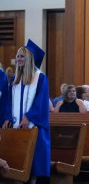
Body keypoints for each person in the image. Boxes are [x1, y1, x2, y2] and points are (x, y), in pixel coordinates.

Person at [1, 39, 50, 183]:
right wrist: (7, 117)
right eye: (17, 56)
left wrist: (28, 117)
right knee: (18, 164)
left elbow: (41, 102)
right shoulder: (14, 80)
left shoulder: (40, 77)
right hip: (16, 128)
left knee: (33, 165)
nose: (18, 59)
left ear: (29, 59)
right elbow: (7, 102)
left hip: (34, 127)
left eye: (22, 56)